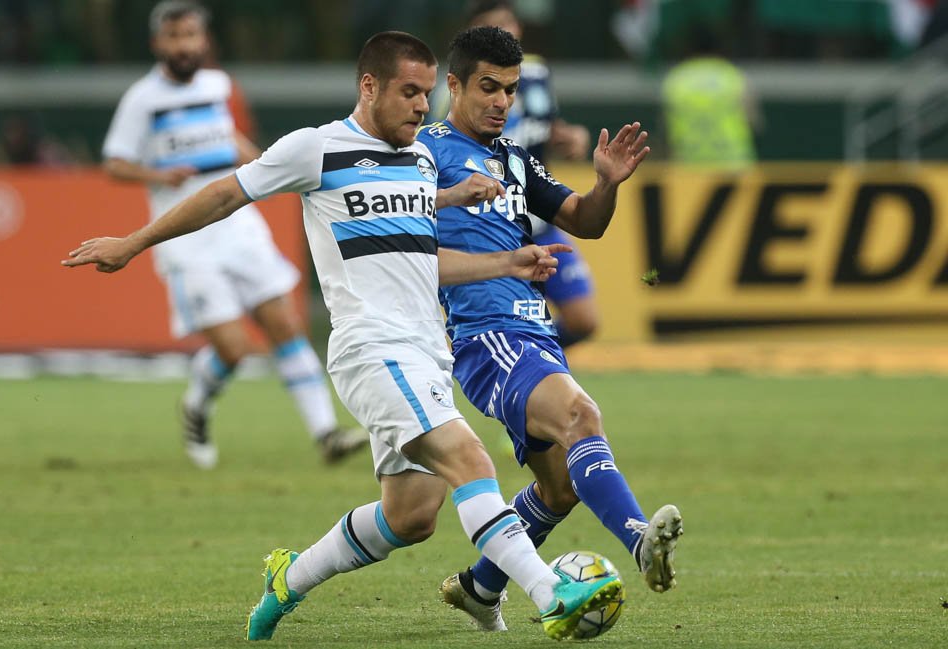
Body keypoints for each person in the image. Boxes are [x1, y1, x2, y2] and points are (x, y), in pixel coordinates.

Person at [63, 30, 625, 642]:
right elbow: (226, 193)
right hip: (372, 348)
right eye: (409, 92)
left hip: (426, 352)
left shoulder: (418, 160)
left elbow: (413, 250)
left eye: (425, 93)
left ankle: (290, 578)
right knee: (471, 459)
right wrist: (134, 241)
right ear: (369, 86)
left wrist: (501, 258)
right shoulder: (315, 148)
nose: (420, 106)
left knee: (411, 517)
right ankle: (551, 593)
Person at [416, 26, 683, 632]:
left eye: (510, 91)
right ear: (452, 85)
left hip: (533, 332)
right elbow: (395, 222)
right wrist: (454, 196)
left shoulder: (515, 159)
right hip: (485, 335)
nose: (501, 103)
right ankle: (639, 538)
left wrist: (607, 186)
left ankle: (480, 588)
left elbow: (584, 222)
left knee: (559, 490)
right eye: (488, 88)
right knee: (581, 416)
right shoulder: (424, 151)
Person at [100, 1, 366, 469]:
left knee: (284, 325)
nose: (184, 45)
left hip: (239, 226)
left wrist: (258, 159)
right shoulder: (143, 99)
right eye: (174, 36)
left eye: (192, 35)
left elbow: (230, 137)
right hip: (187, 238)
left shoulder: (219, 85)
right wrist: (157, 175)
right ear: (157, 43)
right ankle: (196, 406)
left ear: (205, 40)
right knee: (234, 348)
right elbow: (114, 162)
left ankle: (326, 433)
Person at [445, 0, 600, 348]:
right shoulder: (454, 89)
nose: (505, 31)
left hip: (538, 216)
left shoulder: (537, 73)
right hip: (491, 221)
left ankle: (528, 354)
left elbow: (546, 127)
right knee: (501, 318)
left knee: (584, 319)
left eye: (509, 23)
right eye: (493, 26)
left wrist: (572, 138)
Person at [661, 27, 760, 169]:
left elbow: (666, 129)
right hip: (734, 166)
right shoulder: (734, 76)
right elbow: (753, 123)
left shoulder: (676, 79)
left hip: (689, 167)